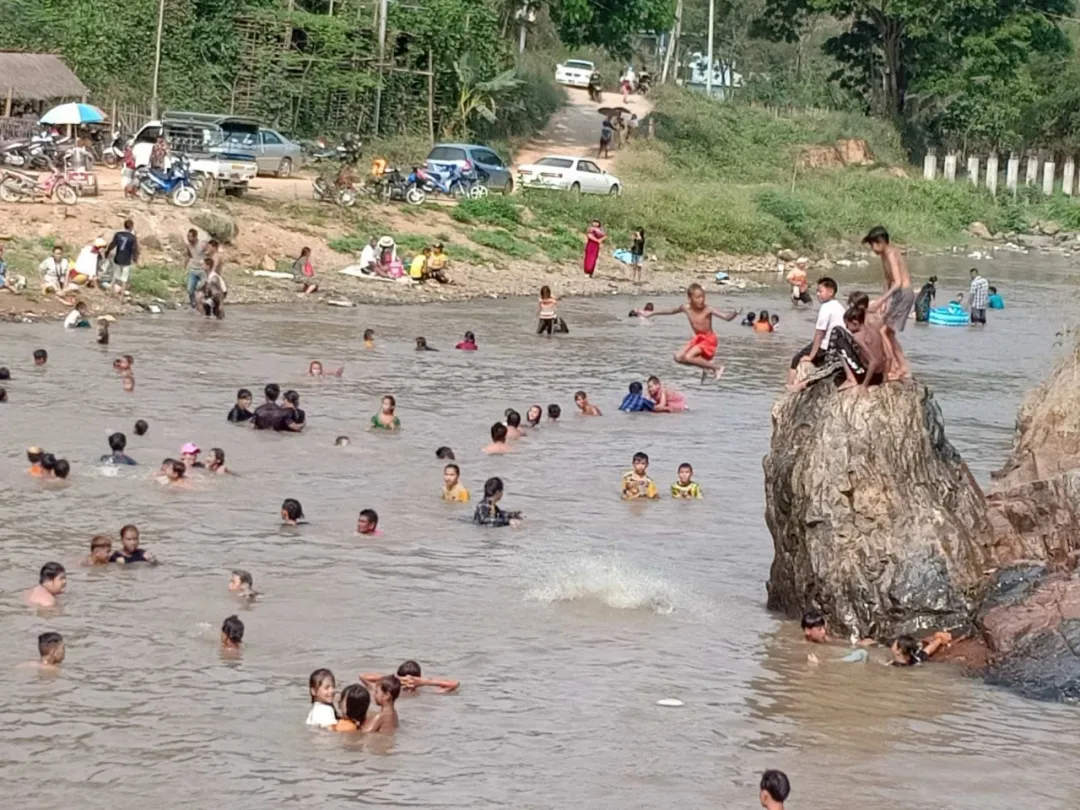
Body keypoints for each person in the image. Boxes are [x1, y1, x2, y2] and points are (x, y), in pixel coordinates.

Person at [634, 284, 740, 379]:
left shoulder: (708, 309)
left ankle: (717, 367)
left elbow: (726, 317)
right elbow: (670, 311)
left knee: (688, 357)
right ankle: (706, 365)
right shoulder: (686, 308)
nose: (701, 300)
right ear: (690, 298)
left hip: (709, 339)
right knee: (678, 357)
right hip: (698, 339)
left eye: (703, 297)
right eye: (698, 297)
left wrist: (735, 313)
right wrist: (651, 313)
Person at [863, 226, 913, 380]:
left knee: (885, 331)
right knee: (888, 332)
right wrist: (884, 299)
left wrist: (881, 300)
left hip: (904, 293)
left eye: (873, 245)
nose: (872, 249)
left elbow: (897, 282)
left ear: (881, 242)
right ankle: (900, 366)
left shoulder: (891, 253)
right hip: (898, 294)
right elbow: (887, 279)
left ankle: (899, 367)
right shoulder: (884, 255)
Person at [786, 277, 846, 387]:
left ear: (831, 292)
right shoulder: (839, 306)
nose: (817, 294)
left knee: (796, 360)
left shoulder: (826, 308)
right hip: (839, 346)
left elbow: (819, 334)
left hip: (826, 347)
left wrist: (811, 356)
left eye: (820, 291)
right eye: (817, 291)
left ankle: (788, 388)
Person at [839, 301, 885, 390]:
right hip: (879, 376)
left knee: (837, 332)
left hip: (870, 377)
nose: (846, 328)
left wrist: (865, 385)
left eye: (847, 325)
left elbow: (873, 361)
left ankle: (850, 378)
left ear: (855, 323)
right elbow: (887, 357)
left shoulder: (857, 337)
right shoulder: (874, 331)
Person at [360, 660, 459, 694]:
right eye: (404, 681)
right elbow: (363, 676)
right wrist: (395, 678)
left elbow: (455, 684)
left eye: (412, 681)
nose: (408, 684)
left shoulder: (426, 692)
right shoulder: (391, 691)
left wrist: (423, 682)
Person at [105, 219, 139, 297]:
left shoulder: (118, 234)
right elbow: (134, 249)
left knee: (115, 276)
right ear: (131, 227)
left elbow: (112, 244)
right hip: (126, 260)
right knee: (124, 279)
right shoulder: (133, 237)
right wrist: (135, 259)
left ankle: (111, 293)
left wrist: (107, 252)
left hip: (118, 258)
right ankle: (121, 297)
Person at [184, 229, 205, 307]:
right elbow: (188, 256)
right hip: (193, 269)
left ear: (195, 237)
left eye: (190, 237)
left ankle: (204, 306)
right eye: (188, 237)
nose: (188, 239)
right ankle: (193, 304)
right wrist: (185, 266)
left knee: (203, 289)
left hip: (203, 270)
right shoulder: (188, 245)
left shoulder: (202, 245)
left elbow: (209, 254)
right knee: (190, 290)